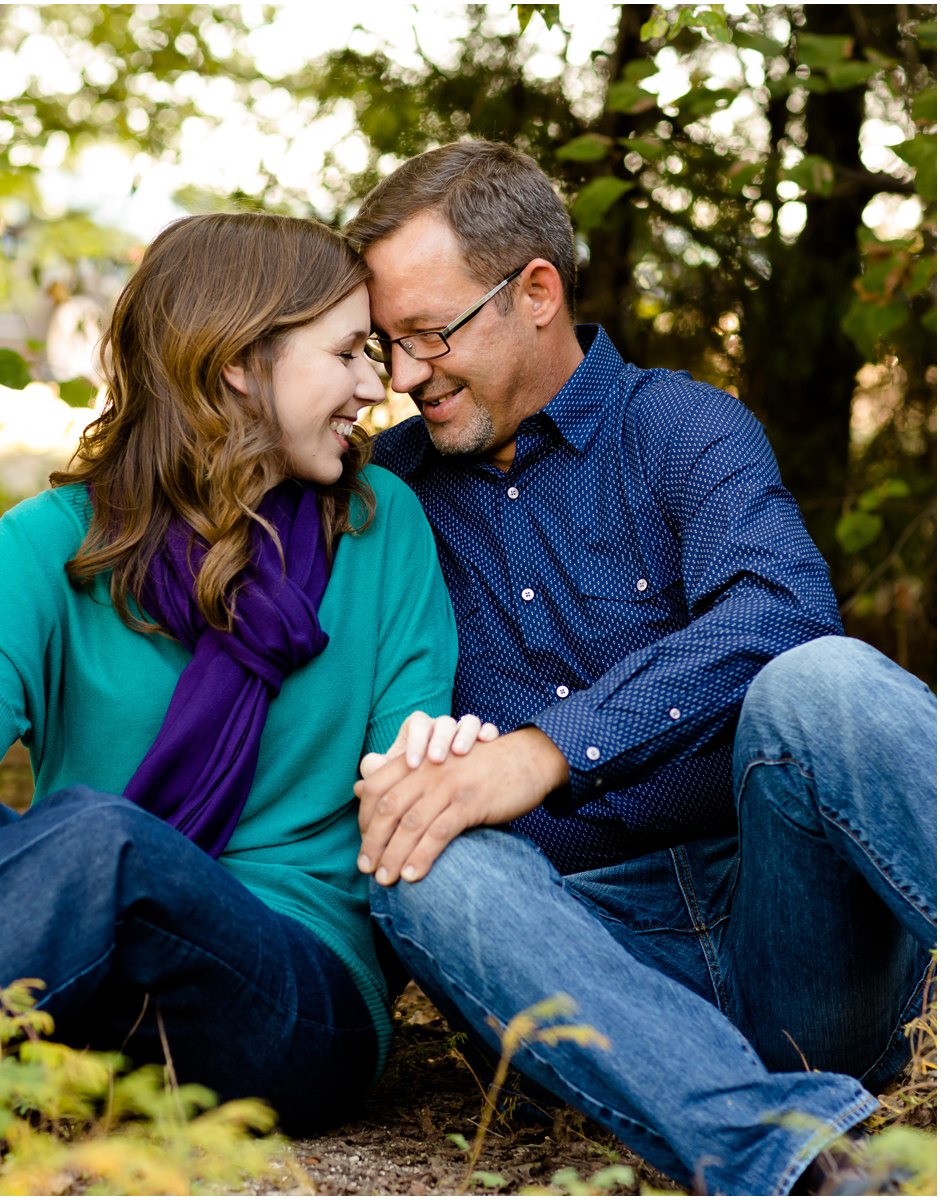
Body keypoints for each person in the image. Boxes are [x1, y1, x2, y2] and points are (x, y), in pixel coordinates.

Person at [0, 212, 489, 1135]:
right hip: (76, 959)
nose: (377, 387)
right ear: (237, 364)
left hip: (294, 993)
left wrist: (442, 756)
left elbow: (403, 784)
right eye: (347, 355)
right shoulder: (49, 545)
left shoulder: (384, 524)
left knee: (105, 837)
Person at [346, 140, 937, 1195]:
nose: (404, 378)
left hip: (793, 941)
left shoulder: (682, 426)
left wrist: (543, 753)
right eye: (387, 344)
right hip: (577, 966)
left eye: (430, 334)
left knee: (826, 683)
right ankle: (796, 1164)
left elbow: (780, 610)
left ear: (536, 292)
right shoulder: (384, 498)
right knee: (418, 854)